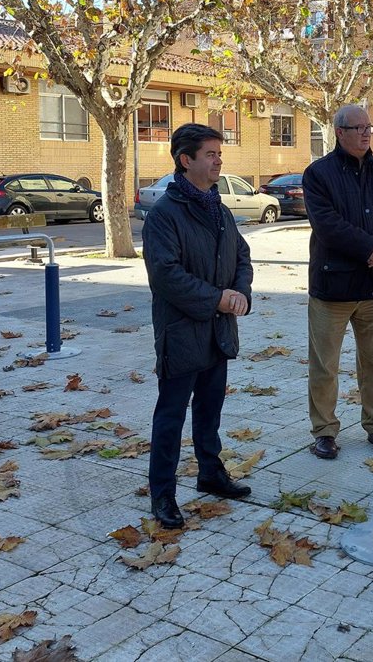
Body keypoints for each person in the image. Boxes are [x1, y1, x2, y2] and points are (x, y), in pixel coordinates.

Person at [143, 123, 254, 528]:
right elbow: (165, 275)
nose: (218, 161)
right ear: (185, 160)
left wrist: (239, 292)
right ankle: (162, 493)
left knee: (210, 411)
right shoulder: (164, 215)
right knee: (171, 416)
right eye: (210, 154)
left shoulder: (219, 210)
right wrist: (217, 299)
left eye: (219, 154)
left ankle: (210, 473)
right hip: (181, 332)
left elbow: (241, 256)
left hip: (217, 331)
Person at [302, 104, 373, 460]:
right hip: (332, 289)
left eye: (369, 127)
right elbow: (327, 225)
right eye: (358, 128)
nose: (366, 133)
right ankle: (324, 431)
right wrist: (369, 247)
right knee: (325, 366)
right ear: (339, 132)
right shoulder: (318, 174)